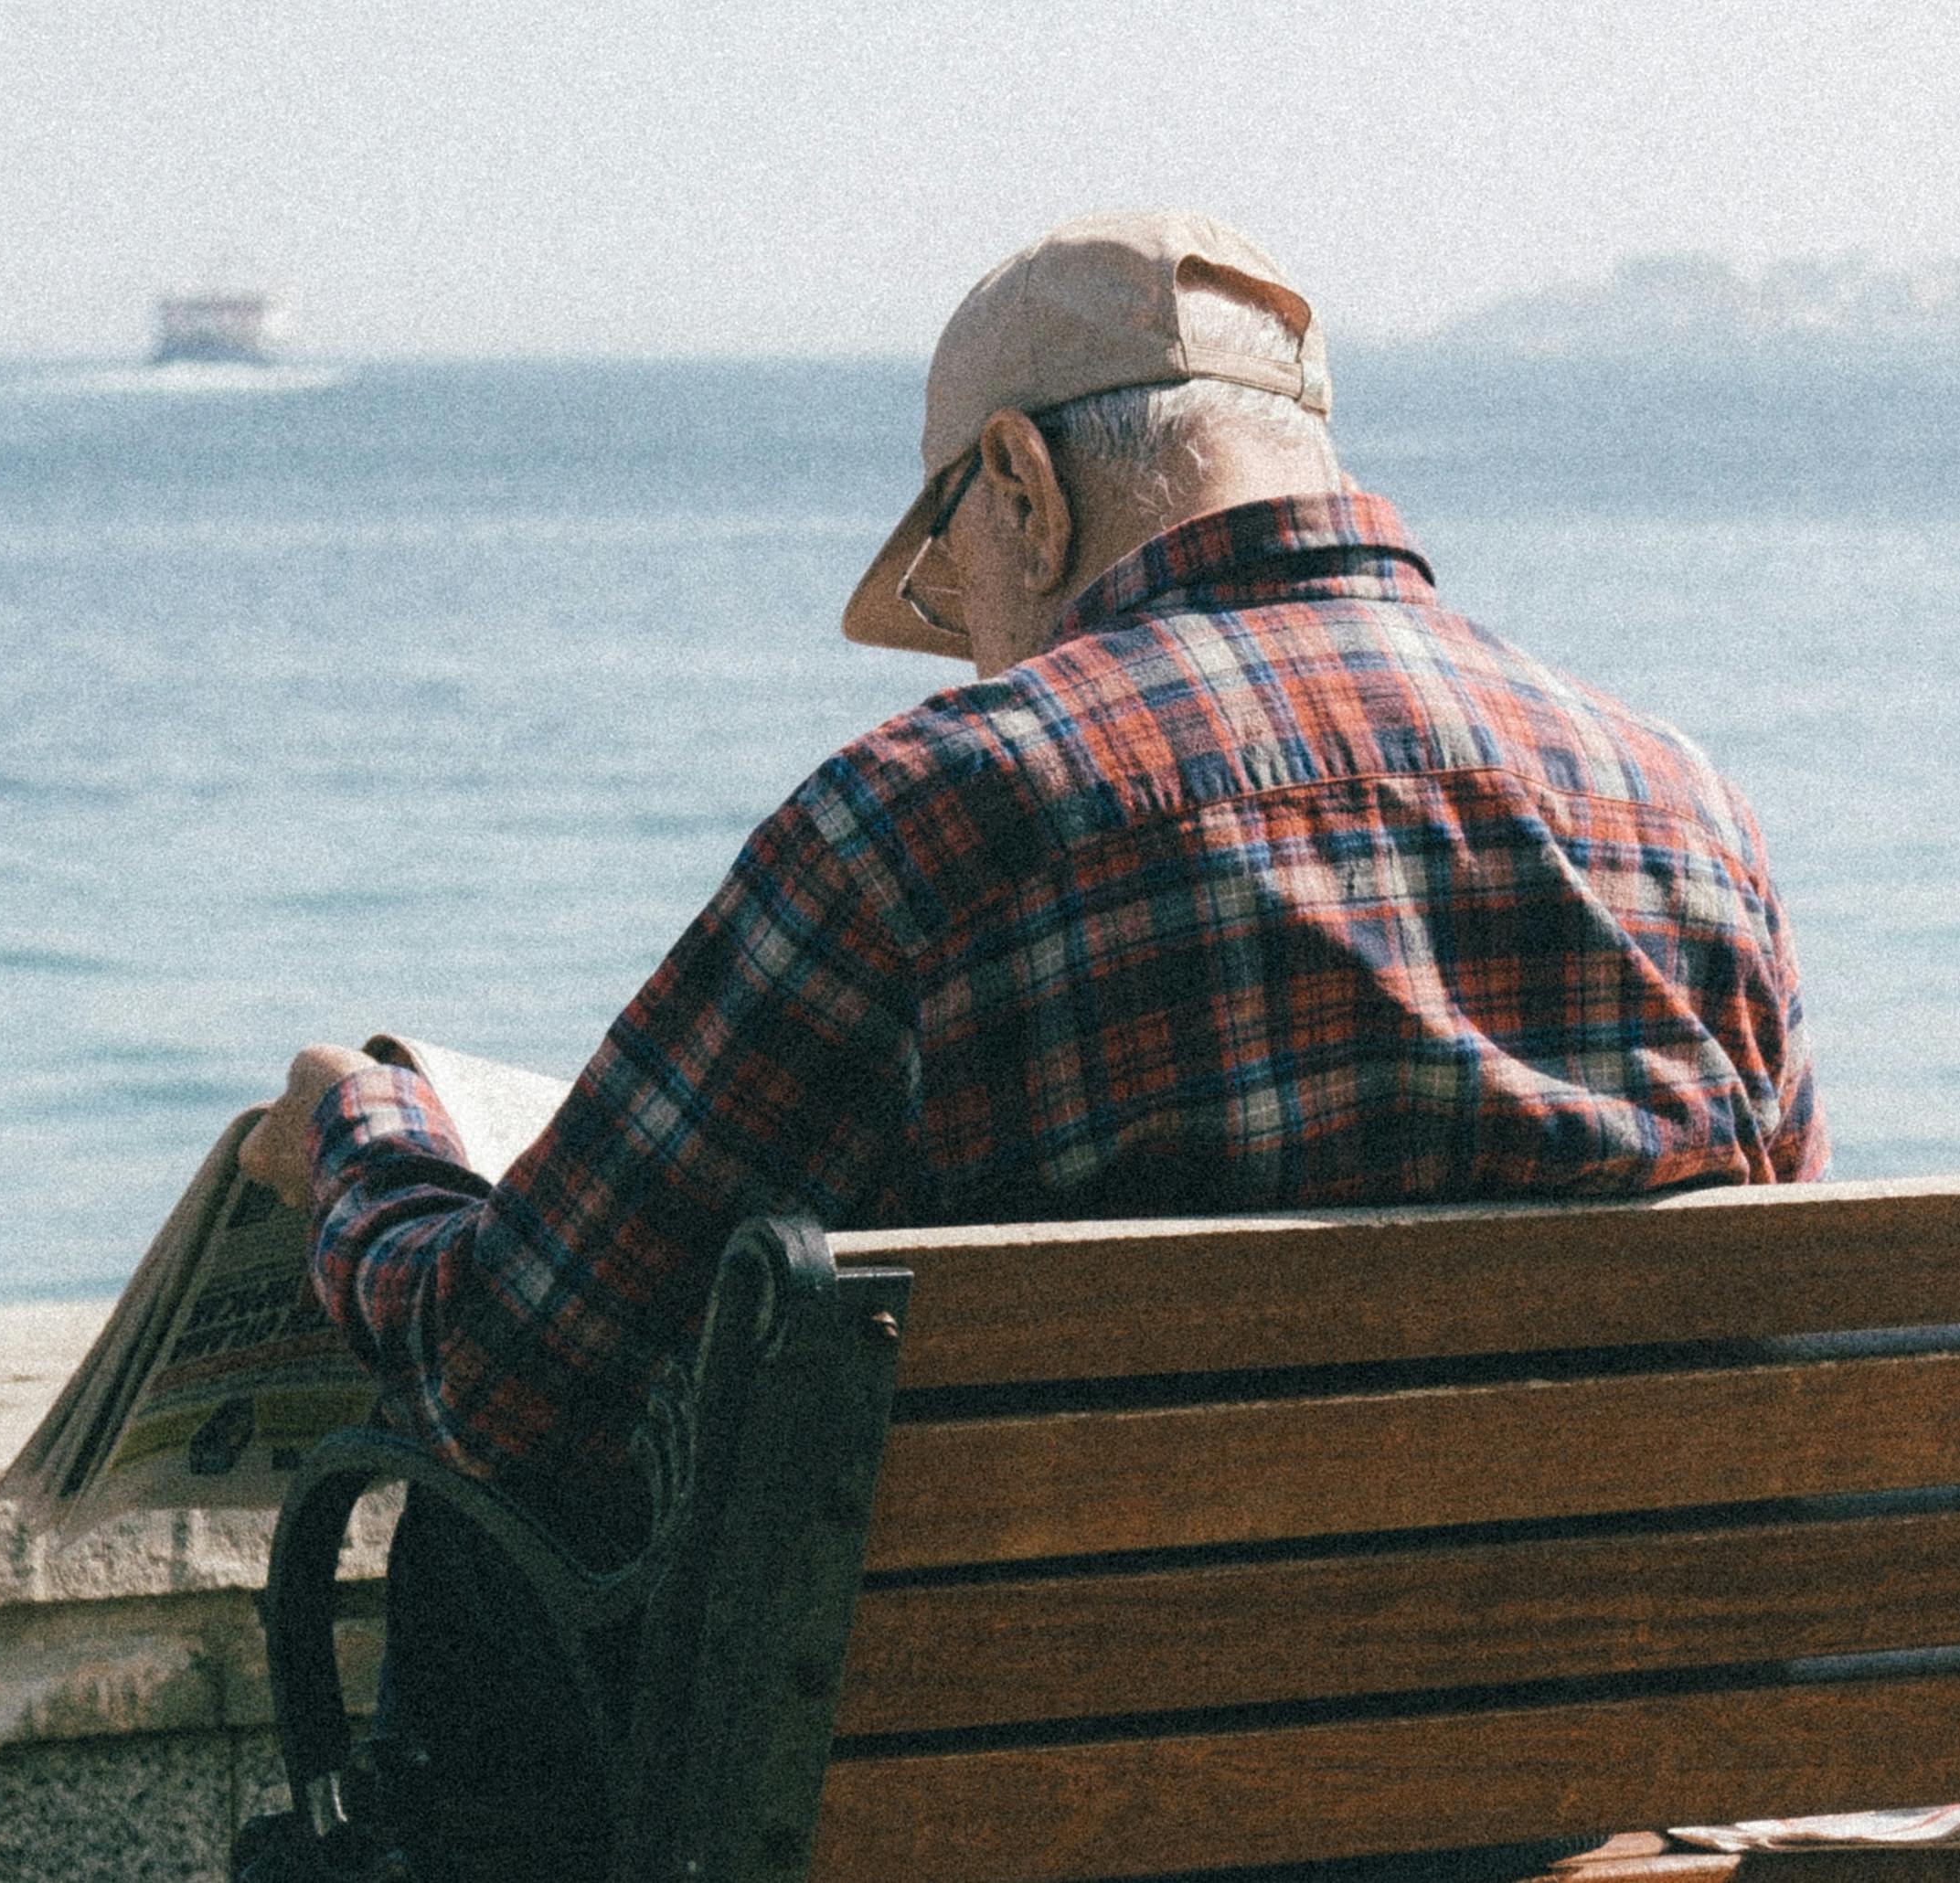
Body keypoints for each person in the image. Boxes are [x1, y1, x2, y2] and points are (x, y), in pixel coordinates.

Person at [232, 210, 1826, 1882]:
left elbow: (504, 1366)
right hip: (1554, 1810)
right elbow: (1777, 1340)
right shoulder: (1678, 812)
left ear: (1019, 484)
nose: (979, 642)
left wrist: (376, 1145)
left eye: (948, 573)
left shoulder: (931, 820)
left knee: (490, 1537)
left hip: (1052, 1829)